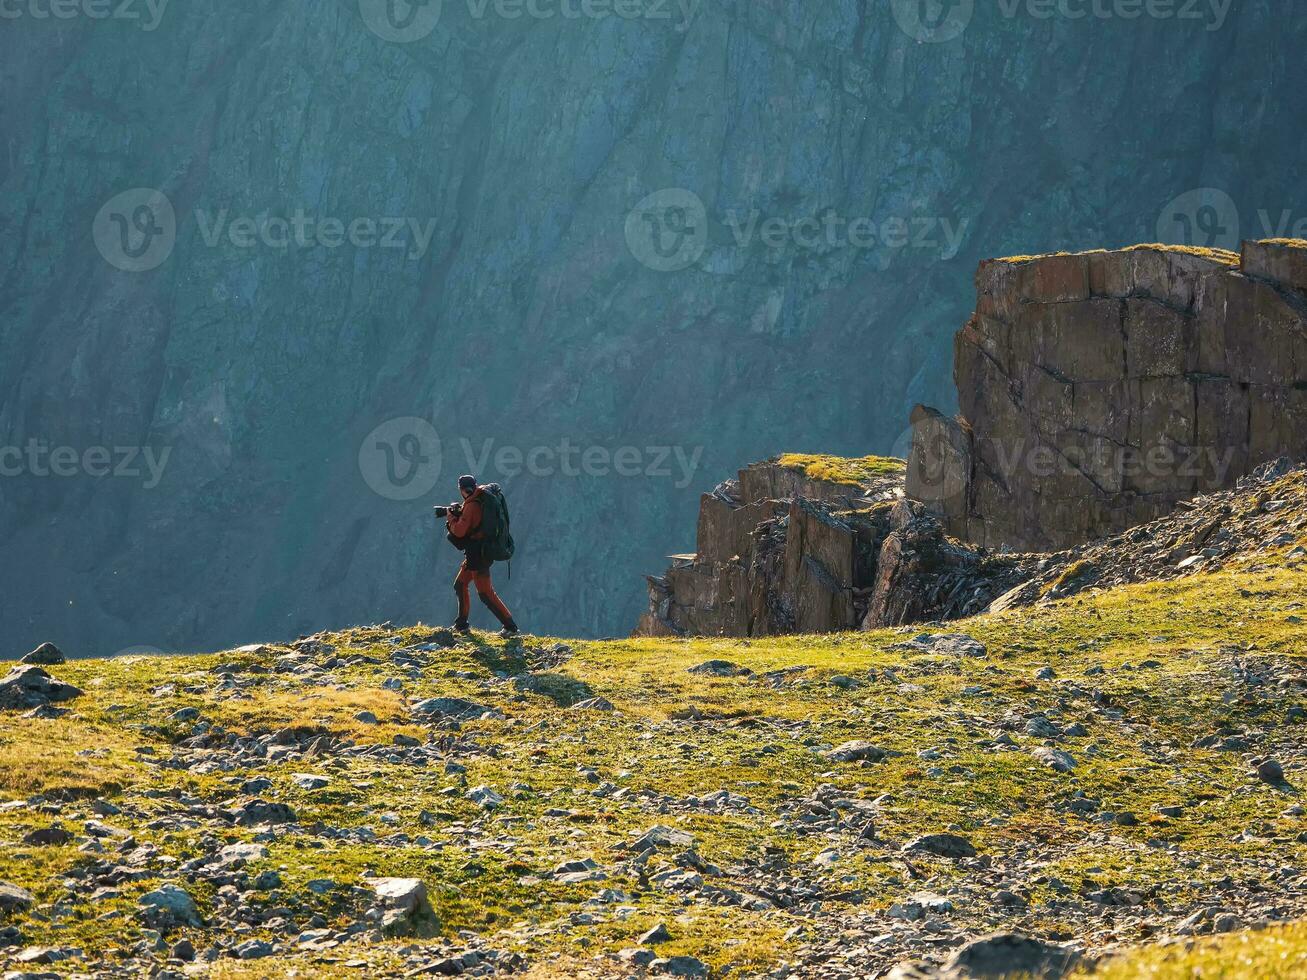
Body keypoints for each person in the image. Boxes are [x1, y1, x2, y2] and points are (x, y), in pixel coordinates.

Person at [444, 475, 519, 637]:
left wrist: (451, 518)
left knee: (485, 593)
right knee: (460, 585)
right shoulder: (481, 498)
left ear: (461, 490)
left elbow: (460, 531)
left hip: (479, 555)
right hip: (478, 552)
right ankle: (461, 625)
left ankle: (510, 627)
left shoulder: (471, 505)